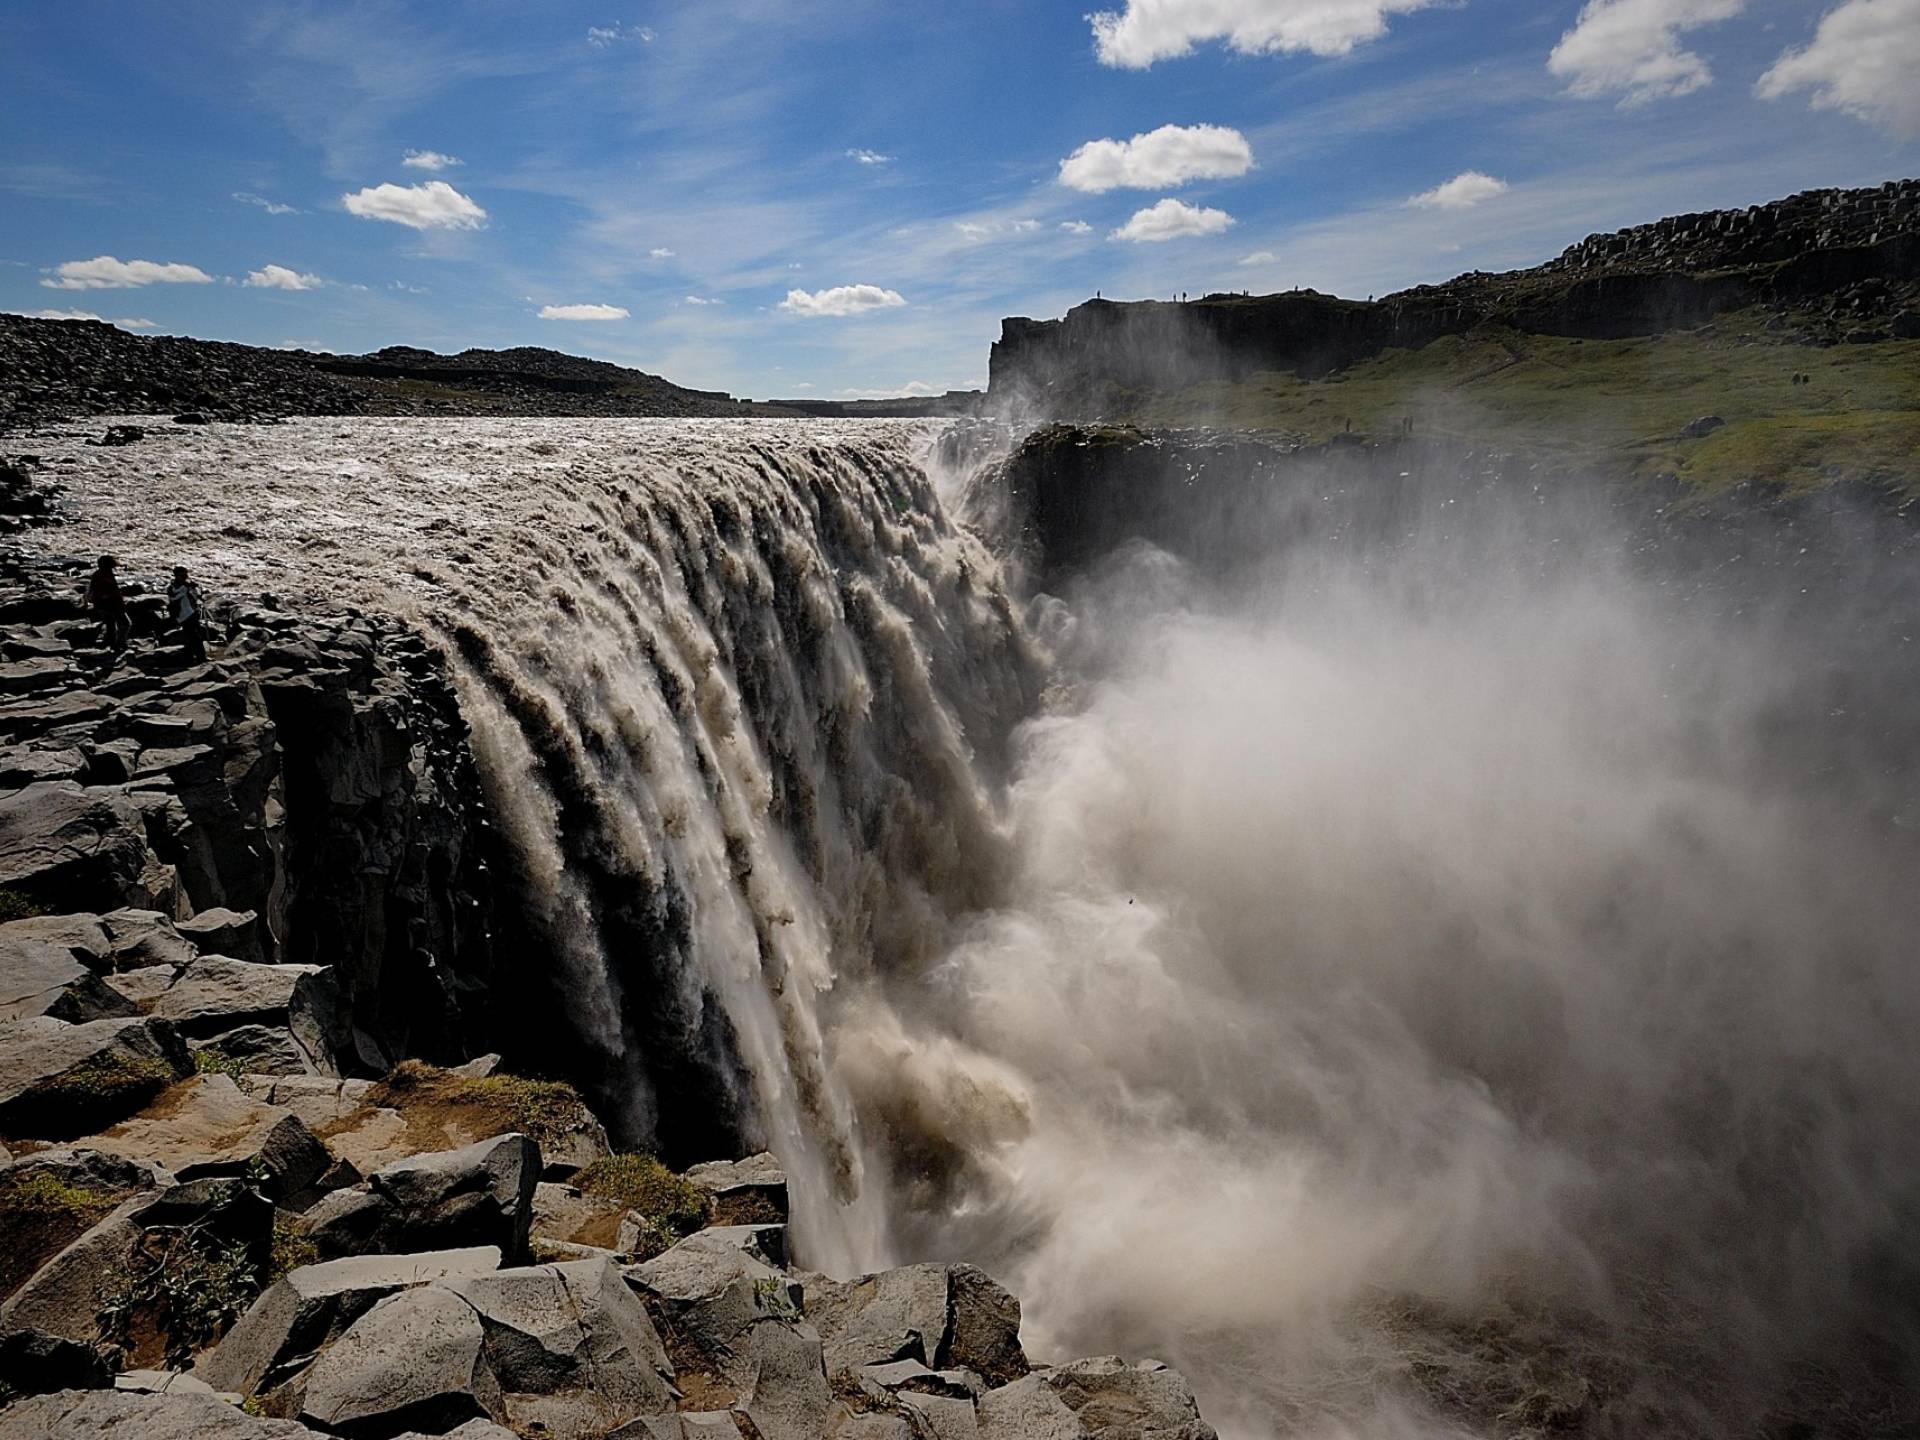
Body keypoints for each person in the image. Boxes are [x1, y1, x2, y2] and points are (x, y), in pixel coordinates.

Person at [87, 555, 129, 652]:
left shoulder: (98, 574)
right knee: (125, 624)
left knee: (111, 626)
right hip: (111, 605)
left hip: (102, 605)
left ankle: (111, 644)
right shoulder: (104, 577)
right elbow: (107, 594)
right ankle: (120, 643)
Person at [168, 565, 207, 661]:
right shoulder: (173, 588)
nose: (185, 577)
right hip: (184, 615)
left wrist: (193, 589)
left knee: (193, 636)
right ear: (177, 576)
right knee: (194, 636)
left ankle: (191, 657)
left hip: (191, 613)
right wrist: (186, 588)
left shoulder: (184, 586)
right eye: (183, 576)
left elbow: (194, 597)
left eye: (186, 575)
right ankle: (199, 658)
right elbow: (174, 598)